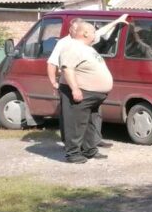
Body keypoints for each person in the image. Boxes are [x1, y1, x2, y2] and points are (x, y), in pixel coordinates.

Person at [48, 14, 126, 145]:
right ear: (74, 30)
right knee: (74, 120)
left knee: (92, 118)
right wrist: (53, 82)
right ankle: (72, 148)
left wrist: (117, 21)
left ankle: (91, 145)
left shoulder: (85, 43)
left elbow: (100, 32)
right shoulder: (66, 44)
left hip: (90, 91)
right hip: (76, 88)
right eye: (75, 28)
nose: (75, 31)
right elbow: (53, 63)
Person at [58, 22, 114, 164]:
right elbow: (67, 68)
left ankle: (89, 150)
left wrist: (117, 21)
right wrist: (75, 89)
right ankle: (73, 154)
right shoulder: (72, 47)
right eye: (93, 32)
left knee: (90, 123)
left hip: (93, 95)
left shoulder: (86, 48)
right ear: (85, 34)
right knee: (76, 123)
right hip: (81, 92)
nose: (95, 35)